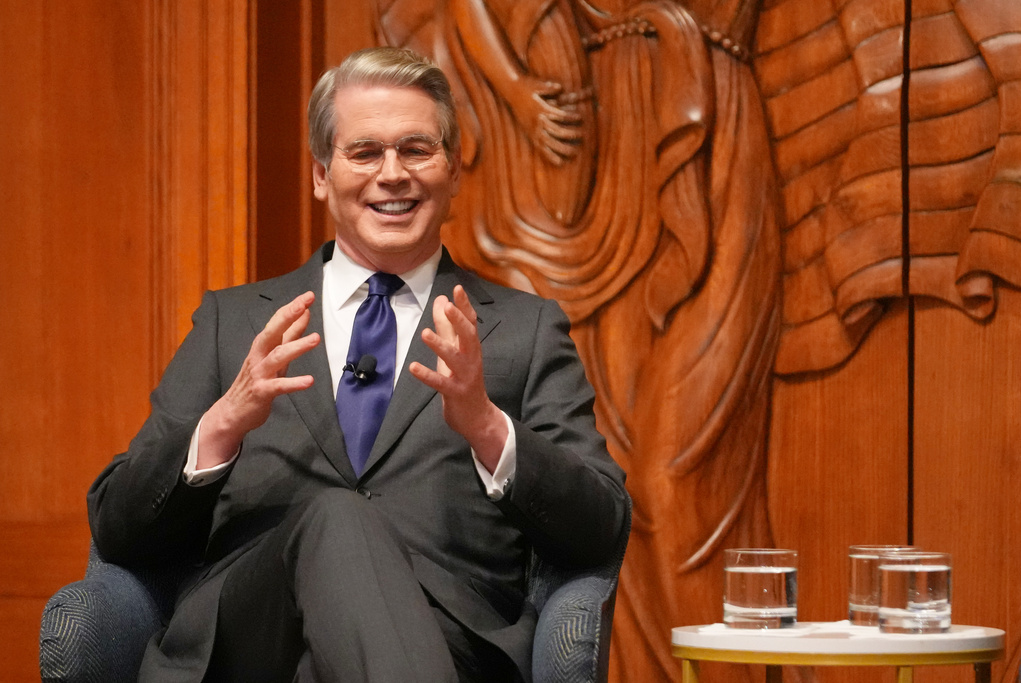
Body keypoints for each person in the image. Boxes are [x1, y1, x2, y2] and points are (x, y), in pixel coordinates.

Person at [86, 46, 628, 682]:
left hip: (444, 644)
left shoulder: (525, 332)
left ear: (453, 170)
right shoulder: (232, 325)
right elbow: (116, 525)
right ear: (322, 174)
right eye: (365, 152)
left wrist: (487, 426)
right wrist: (223, 424)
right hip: (252, 644)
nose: (392, 174)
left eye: (416, 149)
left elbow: (601, 528)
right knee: (337, 516)